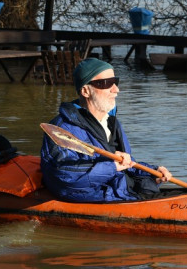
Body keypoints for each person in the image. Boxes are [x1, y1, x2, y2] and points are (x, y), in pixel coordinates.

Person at [40, 58, 172, 202]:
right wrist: (112, 167)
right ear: (85, 91)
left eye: (115, 81)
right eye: (106, 83)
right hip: (96, 196)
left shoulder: (111, 122)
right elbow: (63, 176)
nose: (116, 90)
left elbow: (126, 163)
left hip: (119, 189)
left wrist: (152, 172)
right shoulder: (63, 127)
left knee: (149, 183)